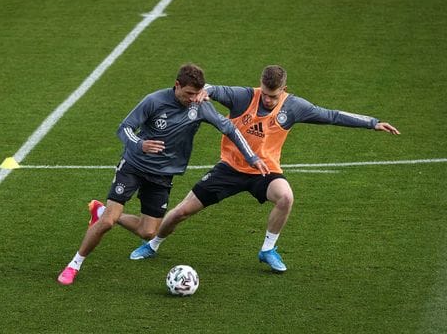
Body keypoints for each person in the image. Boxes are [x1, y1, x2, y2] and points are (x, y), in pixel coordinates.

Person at [130, 64, 400, 272]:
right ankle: (152, 244)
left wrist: (371, 122)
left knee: (286, 196)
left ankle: (268, 249)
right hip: (230, 168)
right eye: (266, 94)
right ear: (260, 85)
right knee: (180, 212)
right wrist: (203, 92)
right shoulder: (243, 97)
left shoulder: (294, 107)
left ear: (283, 89)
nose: (269, 100)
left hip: (264, 171)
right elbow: (213, 88)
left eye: (274, 95)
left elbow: (331, 116)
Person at [57, 63, 269, 285]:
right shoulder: (154, 101)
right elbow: (124, 128)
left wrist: (252, 157)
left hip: (162, 176)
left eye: (197, 93)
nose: (193, 98)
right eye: (189, 93)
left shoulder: (201, 105)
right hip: (134, 166)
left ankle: (101, 211)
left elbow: (230, 129)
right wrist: (141, 144)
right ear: (177, 85)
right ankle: (74, 264)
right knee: (108, 222)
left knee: (148, 232)